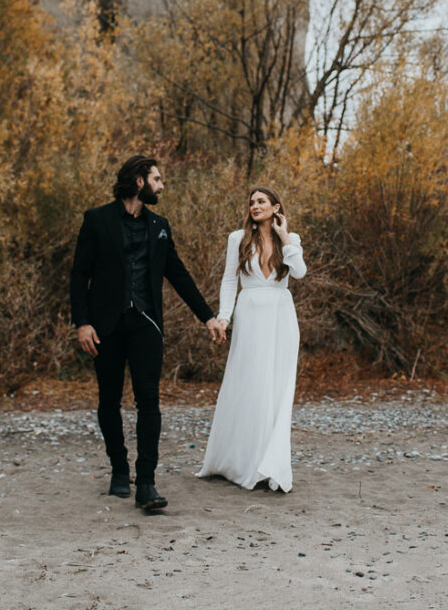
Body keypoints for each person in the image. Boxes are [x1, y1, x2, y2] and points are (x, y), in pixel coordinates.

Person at [70, 155, 225, 510]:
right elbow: (80, 274)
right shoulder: (97, 219)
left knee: (149, 401)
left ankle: (147, 483)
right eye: (157, 179)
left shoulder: (160, 226)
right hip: (105, 327)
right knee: (108, 400)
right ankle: (119, 470)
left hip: (147, 326)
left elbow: (178, 274)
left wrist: (207, 317)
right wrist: (82, 322)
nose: (162, 185)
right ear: (139, 181)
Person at [197, 187, 306, 492]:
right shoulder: (238, 238)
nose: (255, 206)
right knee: (249, 384)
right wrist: (225, 316)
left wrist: (285, 238)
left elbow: (299, 273)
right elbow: (229, 280)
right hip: (250, 315)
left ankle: (271, 464)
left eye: (261, 201)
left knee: (277, 387)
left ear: (276, 207)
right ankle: (242, 461)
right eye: (252, 202)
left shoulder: (291, 239)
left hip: (282, 316)